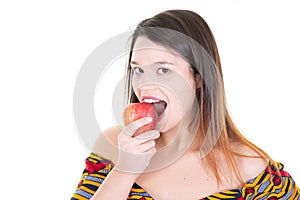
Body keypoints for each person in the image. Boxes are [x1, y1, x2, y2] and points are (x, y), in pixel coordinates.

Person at [71, 10, 299, 199]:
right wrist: (124, 170)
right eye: (138, 70)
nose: (145, 85)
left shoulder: (251, 169)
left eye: (164, 70)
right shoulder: (112, 147)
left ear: (199, 78)